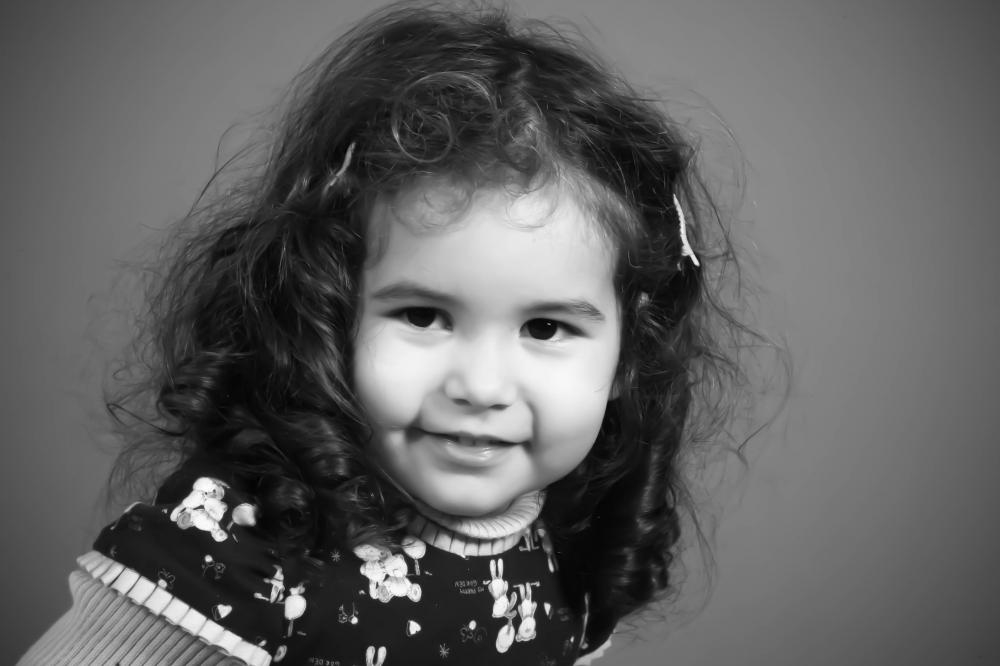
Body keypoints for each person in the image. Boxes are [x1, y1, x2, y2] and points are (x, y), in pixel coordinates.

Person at [20, 2, 768, 664]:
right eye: (422, 316)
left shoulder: (575, 553)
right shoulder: (243, 550)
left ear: (630, 354)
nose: (480, 386)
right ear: (326, 313)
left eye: (545, 327)